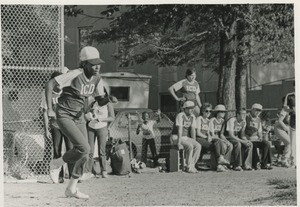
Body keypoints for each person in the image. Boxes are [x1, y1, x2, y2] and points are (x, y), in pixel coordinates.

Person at [45, 46, 117, 199]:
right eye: (92, 63)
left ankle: (71, 189)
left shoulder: (98, 79)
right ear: (84, 64)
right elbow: (50, 84)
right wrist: (50, 109)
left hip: (78, 116)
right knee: (84, 147)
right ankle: (56, 163)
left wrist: (109, 99)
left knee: (85, 153)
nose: (97, 67)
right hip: (64, 114)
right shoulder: (74, 74)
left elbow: (99, 100)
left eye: (98, 63)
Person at [41, 71, 74, 183]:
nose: (60, 83)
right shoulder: (46, 93)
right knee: (57, 150)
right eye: (57, 81)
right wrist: (46, 129)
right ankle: (58, 175)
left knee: (70, 149)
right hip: (55, 125)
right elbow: (45, 112)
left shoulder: (66, 91)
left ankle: (72, 175)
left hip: (67, 124)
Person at [85, 92, 115, 179]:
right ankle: (89, 171)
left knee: (102, 151)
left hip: (102, 127)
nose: (97, 95)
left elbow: (112, 117)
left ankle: (103, 170)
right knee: (90, 150)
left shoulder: (108, 104)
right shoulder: (93, 103)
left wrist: (101, 119)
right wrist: (89, 113)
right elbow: (86, 112)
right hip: (91, 127)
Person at [195, 103, 230, 172]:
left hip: (206, 138)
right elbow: (198, 133)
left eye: (210, 111)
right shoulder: (199, 119)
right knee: (214, 145)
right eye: (206, 111)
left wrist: (209, 136)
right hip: (199, 138)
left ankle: (220, 162)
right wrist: (207, 137)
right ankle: (219, 162)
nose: (208, 113)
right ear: (202, 111)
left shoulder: (208, 120)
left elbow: (208, 132)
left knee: (218, 141)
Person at [170, 101, 201, 173]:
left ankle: (192, 165)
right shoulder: (180, 115)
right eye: (190, 108)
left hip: (185, 137)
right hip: (176, 137)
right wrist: (178, 143)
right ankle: (188, 166)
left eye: (192, 108)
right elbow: (179, 130)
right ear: (185, 109)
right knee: (189, 145)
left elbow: (193, 130)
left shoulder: (193, 117)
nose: (192, 110)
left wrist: (194, 141)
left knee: (198, 145)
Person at [244, 104, 272, 170]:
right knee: (253, 145)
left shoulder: (258, 119)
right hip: (248, 137)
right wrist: (247, 137)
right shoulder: (246, 117)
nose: (258, 112)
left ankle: (265, 164)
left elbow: (259, 130)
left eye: (259, 111)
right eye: (256, 110)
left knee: (266, 144)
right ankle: (256, 163)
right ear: (252, 109)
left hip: (256, 138)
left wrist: (260, 136)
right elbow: (242, 130)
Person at [209, 104, 233, 172]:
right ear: (217, 112)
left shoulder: (223, 121)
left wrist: (226, 140)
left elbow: (221, 134)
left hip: (219, 138)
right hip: (213, 138)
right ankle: (219, 164)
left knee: (230, 145)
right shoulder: (212, 120)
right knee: (222, 144)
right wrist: (221, 140)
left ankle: (225, 164)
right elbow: (212, 133)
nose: (223, 113)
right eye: (222, 112)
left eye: (224, 112)